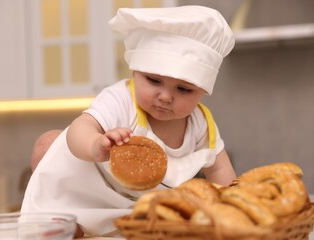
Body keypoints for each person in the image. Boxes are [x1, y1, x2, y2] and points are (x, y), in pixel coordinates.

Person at [22, 5, 236, 238]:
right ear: (134, 72)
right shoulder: (122, 99)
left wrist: (233, 209)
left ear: (203, 91)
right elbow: (80, 128)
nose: (165, 96)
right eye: (154, 81)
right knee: (50, 142)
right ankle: (68, 220)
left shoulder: (200, 123)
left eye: (184, 89)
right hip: (91, 192)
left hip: (141, 208)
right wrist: (95, 144)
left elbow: (219, 167)